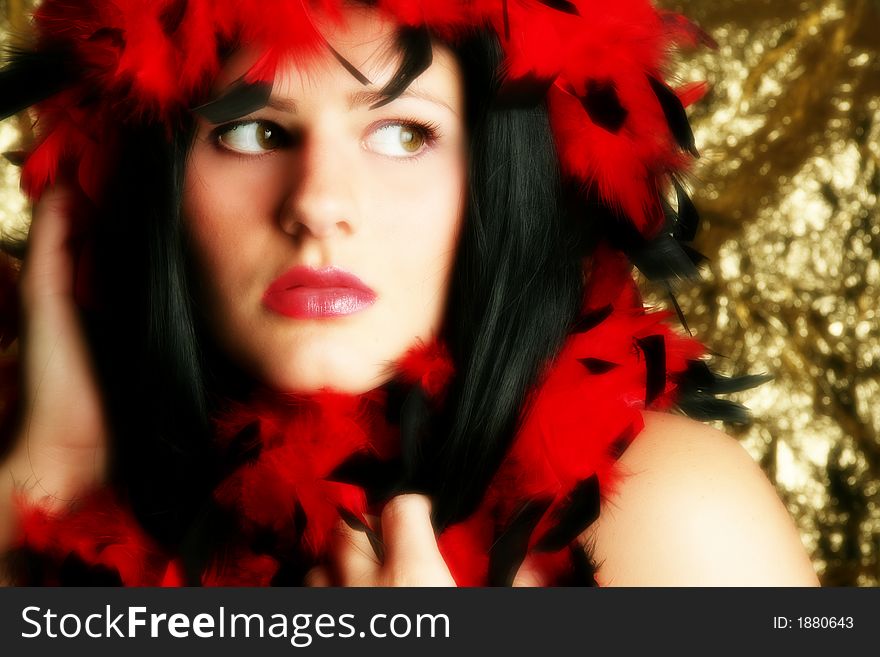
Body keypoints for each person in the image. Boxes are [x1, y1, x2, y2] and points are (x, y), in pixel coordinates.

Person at [0, 0, 818, 586]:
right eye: (253, 130)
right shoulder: (58, 485)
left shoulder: (673, 518)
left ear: (505, 180)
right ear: (155, 182)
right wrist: (41, 489)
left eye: (402, 133)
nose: (319, 203)